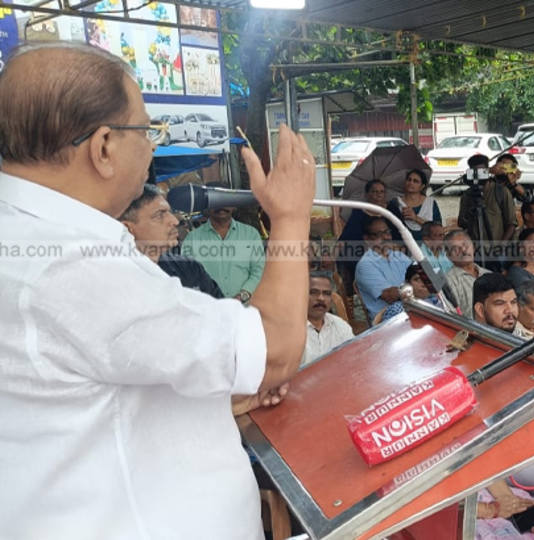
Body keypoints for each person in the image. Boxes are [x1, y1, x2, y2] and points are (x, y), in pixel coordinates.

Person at [0, 42, 314, 538]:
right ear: (104, 147)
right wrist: (292, 216)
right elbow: (276, 350)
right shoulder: (71, 267)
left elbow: (98, 389)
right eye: (148, 131)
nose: (152, 147)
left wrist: (219, 397)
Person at [119, 184, 223, 298]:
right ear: (127, 228)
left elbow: (222, 311)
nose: (175, 221)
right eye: (159, 215)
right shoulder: (113, 279)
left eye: (170, 212)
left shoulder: (189, 268)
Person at [181, 180, 265, 302]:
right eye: (216, 200)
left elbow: (259, 271)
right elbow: (188, 279)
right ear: (207, 205)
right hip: (209, 312)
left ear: (234, 204)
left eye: (226, 200)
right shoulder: (192, 240)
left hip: (245, 311)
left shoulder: (251, 235)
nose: (221, 205)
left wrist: (241, 297)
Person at [458, 154, 517, 271]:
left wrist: (501, 247)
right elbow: (462, 223)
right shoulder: (467, 195)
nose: (478, 175)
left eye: (481, 171)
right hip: (475, 250)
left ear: (487, 170)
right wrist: (471, 210)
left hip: (496, 250)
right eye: (474, 172)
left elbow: (511, 223)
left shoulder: (501, 192)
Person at [337, 179, 392, 305]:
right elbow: (346, 237)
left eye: (382, 192)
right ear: (367, 195)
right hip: (362, 251)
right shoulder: (359, 212)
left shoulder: (392, 208)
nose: (379, 195)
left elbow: (401, 232)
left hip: (389, 250)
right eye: (374, 192)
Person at [355, 216, 413, 321]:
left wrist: (401, 291)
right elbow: (391, 297)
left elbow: (421, 279)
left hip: (410, 311)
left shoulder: (399, 256)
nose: (386, 237)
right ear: (367, 239)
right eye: (379, 234)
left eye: (387, 232)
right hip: (386, 320)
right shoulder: (365, 264)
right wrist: (415, 288)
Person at [302, 271, 355, 366]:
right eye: (313, 292)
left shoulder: (340, 325)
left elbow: (354, 357)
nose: (321, 298)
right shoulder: (289, 331)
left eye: (327, 293)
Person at [387, 168, 442, 243]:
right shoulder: (396, 203)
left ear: (422, 186)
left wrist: (416, 218)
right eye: (409, 179)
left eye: (415, 181)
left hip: (426, 247)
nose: (411, 183)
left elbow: (438, 229)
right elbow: (390, 227)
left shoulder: (430, 203)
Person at [444, 229, 490, 316]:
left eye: (466, 245)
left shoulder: (488, 274)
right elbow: (452, 317)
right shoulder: (448, 282)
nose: (463, 251)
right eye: (456, 248)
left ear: (473, 247)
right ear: (449, 256)